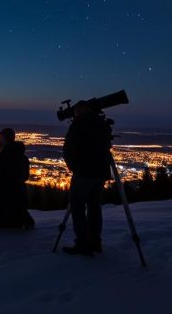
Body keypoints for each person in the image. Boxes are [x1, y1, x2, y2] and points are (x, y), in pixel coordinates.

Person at [61, 101, 113, 256]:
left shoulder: (79, 124)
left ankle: (83, 244)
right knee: (94, 207)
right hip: (100, 173)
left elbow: (68, 148)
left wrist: (74, 167)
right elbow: (107, 146)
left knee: (77, 207)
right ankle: (95, 242)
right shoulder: (101, 123)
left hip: (84, 173)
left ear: (79, 110)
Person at [0, 127, 35, 229]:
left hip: (4, 200)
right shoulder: (23, 158)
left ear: (5, 140)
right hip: (20, 200)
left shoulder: (0, 158)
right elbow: (25, 177)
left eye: (0, 138)